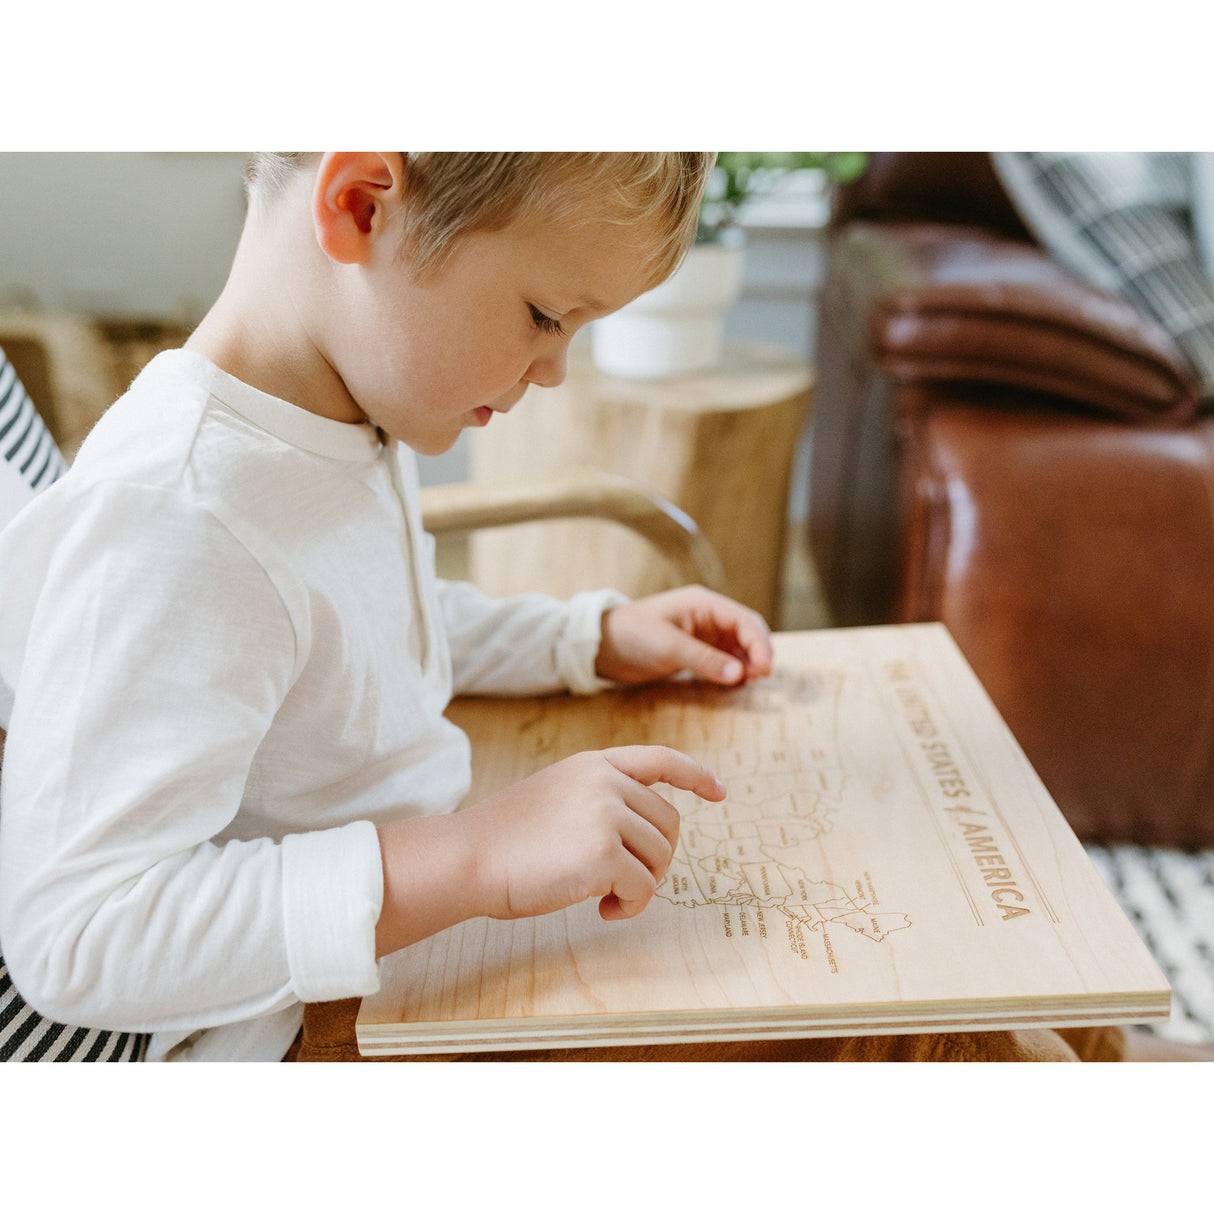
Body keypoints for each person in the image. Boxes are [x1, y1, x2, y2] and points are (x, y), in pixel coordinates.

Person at [0, 153, 1176, 1063]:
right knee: (947, 1041)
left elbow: (344, 639)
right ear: (361, 205)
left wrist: (581, 638)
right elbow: (79, 929)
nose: (554, 370)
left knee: (999, 1001)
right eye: (544, 316)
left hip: (411, 961)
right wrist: (468, 856)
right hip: (313, 1036)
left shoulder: (332, 410)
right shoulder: (180, 516)